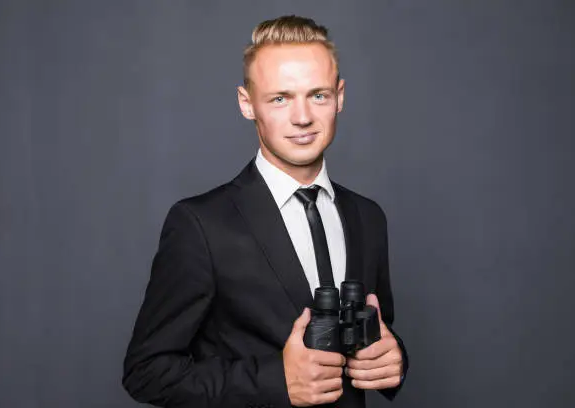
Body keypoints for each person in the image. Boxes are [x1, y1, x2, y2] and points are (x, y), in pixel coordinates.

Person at [122, 15, 408, 408]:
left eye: (318, 95)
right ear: (247, 104)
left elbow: (378, 335)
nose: (303, 117)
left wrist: (394, 361)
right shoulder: (201, 225)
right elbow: (146, 372)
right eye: (280, 98)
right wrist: (277, 381)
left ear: (340, 96)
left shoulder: (367, 217)